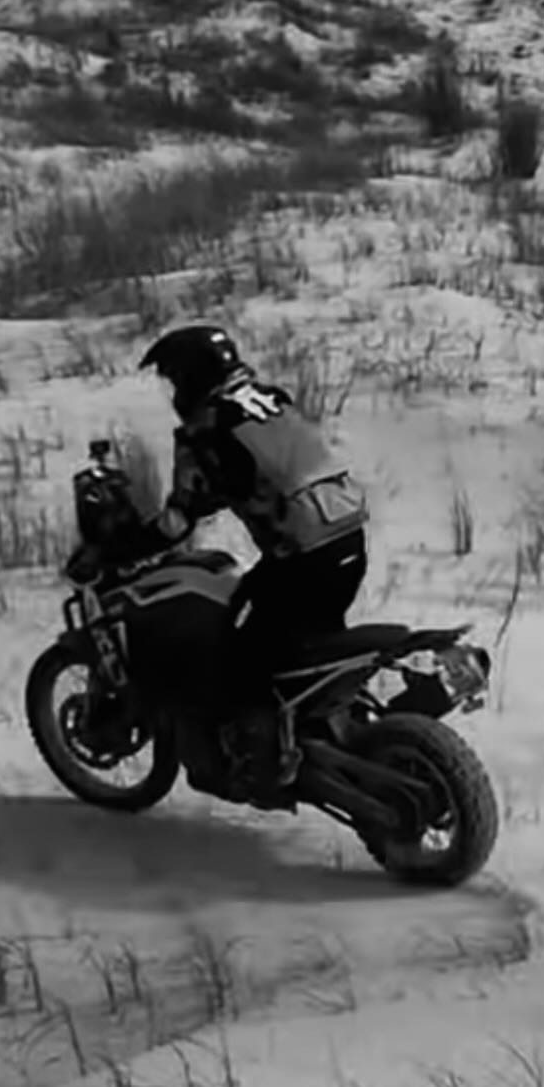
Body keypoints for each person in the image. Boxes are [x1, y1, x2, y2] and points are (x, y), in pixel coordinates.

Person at [137, 324, 369, 785]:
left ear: (191, 376)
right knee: (309, 641)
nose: (172, 391)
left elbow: (181, 517)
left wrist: (132, 543)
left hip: (301, 557)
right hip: (348, 539)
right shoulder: (270, 400)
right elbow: (265, 472)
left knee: (238, 650)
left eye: (173, 379)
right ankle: (327, 727)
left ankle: (268, 761)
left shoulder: (207, 428)